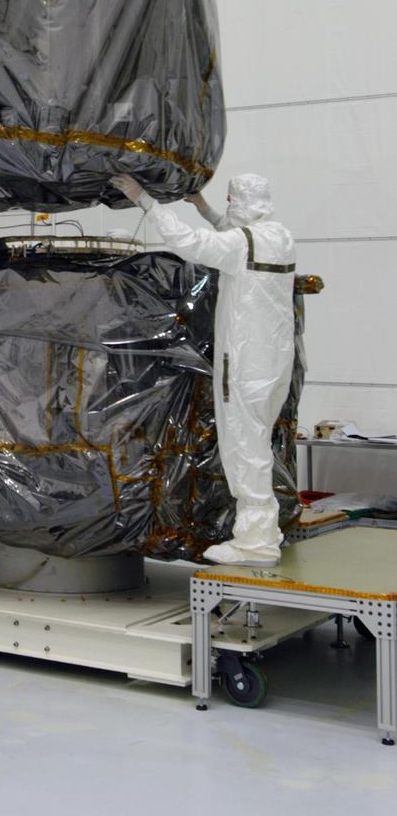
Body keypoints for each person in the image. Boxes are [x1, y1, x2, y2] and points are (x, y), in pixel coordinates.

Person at [113, 173, 295, 566]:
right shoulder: (279, 236)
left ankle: (256, 542)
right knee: (259, 444)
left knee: (245, 450)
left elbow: (190, 243)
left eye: (230, 200)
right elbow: (238, 238)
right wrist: (203, 206)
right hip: (274, 362)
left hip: (245, 365)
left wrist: (144, 199)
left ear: (239, 200)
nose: (228, 206)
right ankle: (265, 527)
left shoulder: (240, 244)